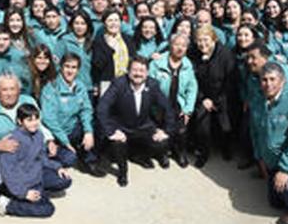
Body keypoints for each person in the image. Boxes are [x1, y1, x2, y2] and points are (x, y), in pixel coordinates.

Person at [94, 55, 173, 187]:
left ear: (147, 73)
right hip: (122, 127)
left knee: (162, 143)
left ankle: (139, 156)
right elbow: (102, 108)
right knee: (117, 144)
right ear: (128, 71)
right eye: (134, 70)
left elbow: (167, 108)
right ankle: (123, 171)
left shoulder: (153, 85)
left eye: (142, 71)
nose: (138, 74)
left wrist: (166, 131)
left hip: (143, 127)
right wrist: (111, 131)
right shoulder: (118, 84)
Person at [250, 61, 288, 224]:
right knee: (274, 203)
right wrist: (259, 158)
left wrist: (286, 169)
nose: (268, 84)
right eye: (264, 80)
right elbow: (254, 132)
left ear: (282, 81)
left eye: (272, 79)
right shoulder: (257, 100)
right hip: (269, 159)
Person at [0, 103, 72, 217]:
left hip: (35, 178)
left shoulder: (39, 135)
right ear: (20, 121)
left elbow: (42, 158)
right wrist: (23, 193)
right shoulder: (13, 141)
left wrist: (57, 167)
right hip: (20, 182)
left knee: (65, 180)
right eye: (29, 120)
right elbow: (7, 171)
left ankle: (35, 194)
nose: (34, 123)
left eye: (36, 119)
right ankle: (8, 205)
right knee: (47, 209)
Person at [38, 51, 103, 175]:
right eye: (67, 66)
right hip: (55, 134)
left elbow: (86, 109)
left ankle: (89, 160)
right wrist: (65, 142)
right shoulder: (51, 88)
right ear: (61, 67)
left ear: (78, 70)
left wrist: (88, 132)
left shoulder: (80, 86)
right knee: (69, 159)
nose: (70, 71)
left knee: (95, 124)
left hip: (72, 128)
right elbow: (48, 119)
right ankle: (54, 160)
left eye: (74, 67)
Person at [149, 32, 197, 167]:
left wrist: (188, 110)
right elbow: (149, 85)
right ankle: (162, 154)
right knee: (161, 132)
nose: (180, 48)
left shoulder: (188, 65)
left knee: (181, 131)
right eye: (177, 44)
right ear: (170, 45)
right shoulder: (156, 63)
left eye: (183, 45)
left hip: (178, 105)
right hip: (159, 106)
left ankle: (180, 152)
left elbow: (192, 89)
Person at [191, 23, 237, 165]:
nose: (202, 44)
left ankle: (226, 147)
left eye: (206, 39)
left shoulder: (225, 54)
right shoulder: (194, 54)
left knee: (225, 124)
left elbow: (230, 81)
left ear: (214, 39)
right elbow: (193, 81)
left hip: (223, 95)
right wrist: (203, 98)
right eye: (199, 40)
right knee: (202, 122)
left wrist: (217, 100)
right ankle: (203, 152)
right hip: (203, 96)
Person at [90, 9, 135, 89]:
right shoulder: (99, 42)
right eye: (110, 20)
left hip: (128, 82)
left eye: (116, 20)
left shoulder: (128, 39)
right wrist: (110, 48)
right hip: (107, 83)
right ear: (104, 23)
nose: (113, 23)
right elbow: (98, 66)